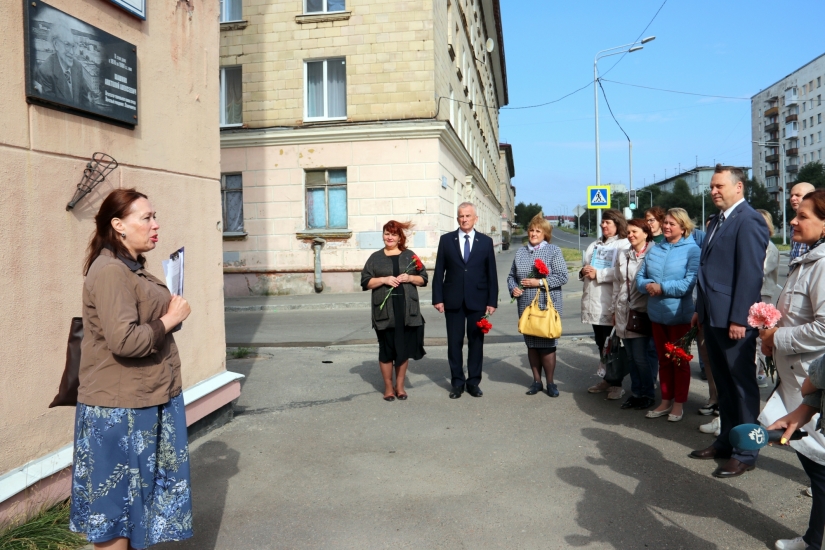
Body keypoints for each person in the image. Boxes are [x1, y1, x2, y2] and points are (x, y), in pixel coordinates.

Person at [70, 189, 193, 549]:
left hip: (144, 401)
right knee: (116, 515)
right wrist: (170, 319)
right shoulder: (110, 270)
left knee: (134, 509)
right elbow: (124, 341)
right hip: (119, 411)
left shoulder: (132, 267)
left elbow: (143, 324)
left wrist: (168, 316)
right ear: (118, 225)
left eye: (155, 216)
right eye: (147, 218)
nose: (156, 225)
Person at [689, 165, 769, 479]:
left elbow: (750, 275)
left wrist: (740, 317)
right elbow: (709, 270)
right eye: (711, 187)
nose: (713, 191)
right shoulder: (718, 220)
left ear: (739, 187)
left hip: (734, 320)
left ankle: (746, 452)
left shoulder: (748, 220)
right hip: (713, 316)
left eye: (719, 186)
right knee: (723, 386)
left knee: (742, 387)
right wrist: (700, 308)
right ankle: (726, 441)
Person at [759, 189, 825, 550]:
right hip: (796, 383)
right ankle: (813, 539)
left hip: (811, 386)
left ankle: (813, 542)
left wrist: (777, 336)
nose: (794, 221)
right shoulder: (807, 258)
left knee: (820, 469)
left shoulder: (824, 264)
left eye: (803, 216)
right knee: (817, 469)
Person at [636, 208, 700, 422]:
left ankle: (679, 404)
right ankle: (665, 400)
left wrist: (661, 287)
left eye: (672, 224)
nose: (666, 226)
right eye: (665, 223)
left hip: (679, 315)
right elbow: (640, 278)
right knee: (664, 360)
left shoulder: (692, 250)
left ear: (683, 227)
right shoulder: (655, 249)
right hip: (657, 315)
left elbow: (689, 282)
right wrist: (649, 286)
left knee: (679, 361)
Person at [433, 202, 498, 399]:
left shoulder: (485, 242)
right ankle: (457, 383)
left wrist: (492, 301)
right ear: (457, 218)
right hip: (452, 300)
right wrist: (438, 298)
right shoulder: (446, 240)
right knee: (454, 343)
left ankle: (473, 382)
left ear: (475, 218)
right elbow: (439, 272)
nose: (464, 219)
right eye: (461, 216)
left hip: (478, 300)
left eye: (468, 216)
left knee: (476, 343)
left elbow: (491, 274)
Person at [361, 220, 428, 401]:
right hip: (384, 312)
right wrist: (383, 280)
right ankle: (388, 387)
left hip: (406, 311)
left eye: (393, 234)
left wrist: (410, 277)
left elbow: (424, 278)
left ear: (400, 237)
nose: (389, 237)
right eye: (386, 233)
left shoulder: (410, 256)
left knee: (403, 349)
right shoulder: (375, 257)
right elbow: (365, 282)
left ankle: (400, 386)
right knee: (386, 350)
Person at [508, 214, 568, 397]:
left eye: (538, 231)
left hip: (546, 305)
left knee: (547, 344)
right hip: (526, 305)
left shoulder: (553, 251)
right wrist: (513, 289)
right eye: (531, 230)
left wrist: (539, 283)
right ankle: (536, 382)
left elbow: (562, 276)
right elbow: (512, 276)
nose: (533, 234)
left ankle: (550, 383)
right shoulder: (520, 252)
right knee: (532, 345)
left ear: (545, 234)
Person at [581, 209, 630, 400]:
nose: (604, 226)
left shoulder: (623, 244)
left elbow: (622, 271)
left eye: (608, 222)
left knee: (614, 345)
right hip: (593, 300)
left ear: (618, 224)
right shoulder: (595, 244)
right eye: (602, 222)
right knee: (601, 343)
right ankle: (607, 378)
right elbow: (588, 265)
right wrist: (584, 271)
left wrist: (599, 275)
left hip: (610, 300)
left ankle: (617, 383)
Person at [610, 219, 656, 410]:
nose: (630, 235)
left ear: (646, 233)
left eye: (635, 231)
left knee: (640, 358)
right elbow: (617, 283)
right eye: (628, 232)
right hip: (623, 311)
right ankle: (636, 393)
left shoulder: (653, 253)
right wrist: (613, 309)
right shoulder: (624, 254)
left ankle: (647, 394)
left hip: (641, 312)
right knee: (630, 357)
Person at [33, 18, 95, 108]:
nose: (72, 52)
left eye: (73, 46)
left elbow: (85, 102)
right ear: (56, 45)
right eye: (67, 45)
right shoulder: (45, 71)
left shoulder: (77, 67)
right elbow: (50, 108)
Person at [756, 208, 781, 388]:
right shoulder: (755, 245)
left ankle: (761, 372)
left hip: (763, 297)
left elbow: (760, 272)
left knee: (761, 337)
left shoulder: (769, 248)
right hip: (754, 295)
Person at [789, 182, 817, 263]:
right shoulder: (794, 223)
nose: (793, 198)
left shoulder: (818, 221)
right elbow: (794, 252)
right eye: (791, 196)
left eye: (797, 195)